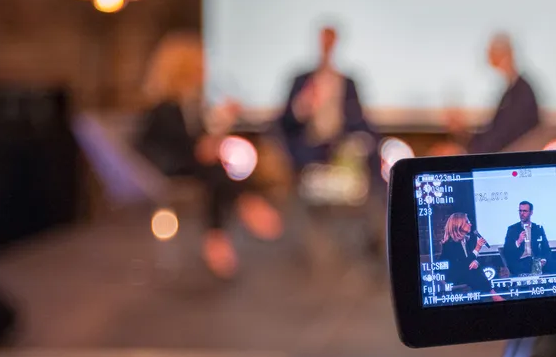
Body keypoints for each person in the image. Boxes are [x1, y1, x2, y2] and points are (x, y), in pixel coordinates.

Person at [135, 32, 283, 279]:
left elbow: (200, 142)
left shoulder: (190, 106)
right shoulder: (165, 109)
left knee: (220, 168)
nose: (205, 71)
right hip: (165, 169)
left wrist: (222, 123)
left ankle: (224, 228)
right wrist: (206, 146)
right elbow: (177, 146)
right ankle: (244, 205)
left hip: (193, 165)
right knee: (216, 171)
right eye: (199, 65)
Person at [278, 24, 378, 170]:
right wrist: (302, 106)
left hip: (340, 148)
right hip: (306, 148)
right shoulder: (302, 81)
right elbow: (286, 119)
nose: (327, 44)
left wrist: (364, 141)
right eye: (324, 40)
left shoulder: (347, 83)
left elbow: (358, 118)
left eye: (330, 40)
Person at [467, 33, 541, 154]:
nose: (488, 59)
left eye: (491, 54)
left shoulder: (521, 93)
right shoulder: (510, 90)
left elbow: (506, 134)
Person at [437, 213, 502, 300]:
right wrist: (477, 249)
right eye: (467, 222)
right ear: (458, 225)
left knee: (479, 268)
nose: (470, 224)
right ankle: (493, 294)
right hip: (453, 276)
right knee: (472, 272)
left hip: (464, 272)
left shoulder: (466, 240)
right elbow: (462, 264)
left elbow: (470, 260)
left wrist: (476, 262)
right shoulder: (450, 244)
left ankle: (491, 294)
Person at [502, 201, 552, 276]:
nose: (522, 213)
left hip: (535, 261)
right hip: (519, 262)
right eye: (520, 211)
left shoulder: (538, 228)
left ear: (531, 212)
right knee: (524, 265)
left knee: (553, 265)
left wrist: (543, 260)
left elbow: (546, 248)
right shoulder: (512, 229)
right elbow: (506, 250)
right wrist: (518, 241)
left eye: (525, 211)